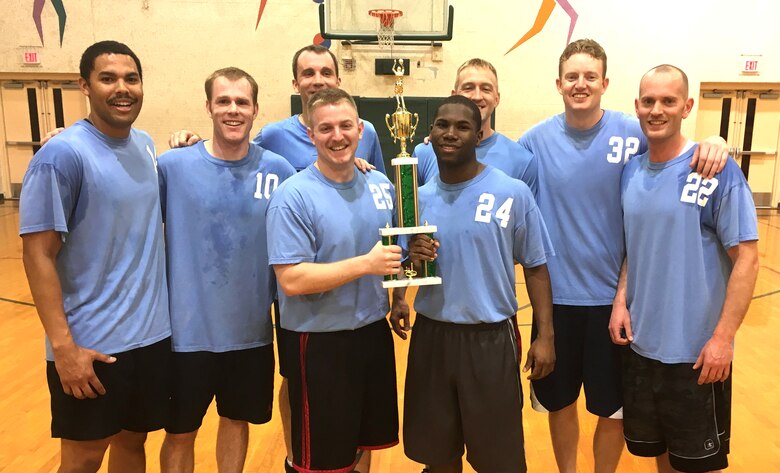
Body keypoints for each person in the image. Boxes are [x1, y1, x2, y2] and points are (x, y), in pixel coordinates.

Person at [518, 38, 730, 473]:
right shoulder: (532, 141)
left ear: (605, 83)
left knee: (612, 410)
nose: (581, 84)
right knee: (560, 404)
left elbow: (677, 142)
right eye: (572, 76)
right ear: (558, 83)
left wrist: (717, 140)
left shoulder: (633, 132)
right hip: (555, 302)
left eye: (589, 76)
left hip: (616, 305)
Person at [19, 40, 171, 473]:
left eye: (131, 78)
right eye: (108, 78)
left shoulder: (144, 144)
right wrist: (64, 349)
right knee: (84, 457)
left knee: (132, 442)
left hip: (148, 339)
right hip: (91, 347)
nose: (122, 88)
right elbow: (38, 255)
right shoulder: (61, 155)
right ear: (84, 85)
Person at [390, 95, 555, 473]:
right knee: (438, 457)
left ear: (479, 135)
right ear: (429, 134)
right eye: (442, 125)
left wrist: (545, 336)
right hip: (433, 337)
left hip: (490, 340)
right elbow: (404, 262)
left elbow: (536, 266)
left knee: (499, 461)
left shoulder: (512, 192)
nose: (451, 133)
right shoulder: (418, 198)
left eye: (462, 126)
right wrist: (403, 285)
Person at [611, 64, 759, 472]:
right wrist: (622, 301)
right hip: (642, 346)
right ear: (637, 107)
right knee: (659, 457)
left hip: (696, 354)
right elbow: (633, 248)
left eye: (668, 101)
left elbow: (746, 257)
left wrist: (723, 340)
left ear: (687, 106)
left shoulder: (715, 169)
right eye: (648, 101)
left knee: (695, 465)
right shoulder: (631, 172)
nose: (656, 110)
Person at [156, 67, 295, 473]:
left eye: (241, 102)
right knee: (180, 431)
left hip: (250, 333)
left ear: (255, 109)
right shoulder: (173, 167)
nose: (233, 110)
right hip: (186, 334)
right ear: (208, 107)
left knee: (236, 420)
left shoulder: (279, 170)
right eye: (223, 101)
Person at [266, 88, 401, 473]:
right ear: (311, 135)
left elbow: (396, 254)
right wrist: (365, 264)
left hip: (372, 334)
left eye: (345, 126)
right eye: (325, 128)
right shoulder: (293, 196)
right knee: (323, 462)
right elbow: (291, 279)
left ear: (361, 130)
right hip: (318, 343)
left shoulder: (380, 186)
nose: (337, 136)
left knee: (363, 444)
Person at [169, 44, 385, 174]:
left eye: (326, 73)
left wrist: (348, 167)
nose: (318, 81)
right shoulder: (274, 136)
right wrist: (198, 144)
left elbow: (378, 190)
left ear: (338, 80)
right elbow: (234, 154)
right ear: (295, 83)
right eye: (308, 73)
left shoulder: (365, 132)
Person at [413, 58, 537, 193]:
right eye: (468, 88)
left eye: (486, 89)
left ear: (497, 98)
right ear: (454, 95)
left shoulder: (522, 161)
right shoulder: (424, 154)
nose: (477, 96)